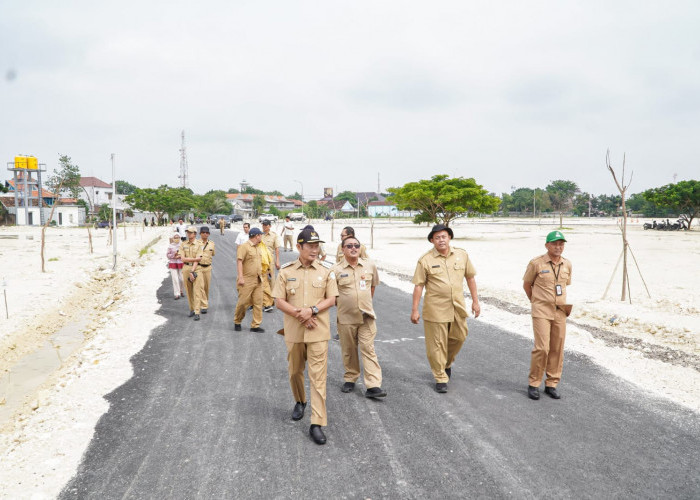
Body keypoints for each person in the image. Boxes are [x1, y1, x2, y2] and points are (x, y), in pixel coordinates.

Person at [272, 228, 338, 445]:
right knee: (294, 371)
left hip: (318, 331)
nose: (314, 250)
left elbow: (332, 299)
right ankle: (300, 400)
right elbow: (279, 301)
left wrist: (313, 311)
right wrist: (301, 315)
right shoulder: (286, 271)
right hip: (295, 331)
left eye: (316, 246)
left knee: (318, 378)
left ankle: (317, 422)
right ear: (299, 247)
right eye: (309, 246)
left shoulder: (326, 271)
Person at [411, 224, 481, 393]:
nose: (441, 240)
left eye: (444, 236)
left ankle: (446, 363)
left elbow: (470, 278)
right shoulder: (425, 260)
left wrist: (475, 301)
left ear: (449, 237)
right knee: (437, 344)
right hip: (435, 307)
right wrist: (414, 309)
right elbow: (419, 286)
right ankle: (440, 377)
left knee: (459, 337)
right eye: (437, 237)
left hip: (457, 305)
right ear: (432, 240)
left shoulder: (461, 255)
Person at [331, 235, 386, 398]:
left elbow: (373, 286)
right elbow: (331, 295)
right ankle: (351, 377)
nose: (353, 248)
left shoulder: (369, 265)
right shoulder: (335, 269)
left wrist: (364, 303)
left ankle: (373, 385)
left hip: (366, 316)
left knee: (368, 348)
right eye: (349, 246)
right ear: (343, 250)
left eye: (356, 245)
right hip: (346, 317)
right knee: (349, 350)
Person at [523, 230, 573, 401]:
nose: (558, 247)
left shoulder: (567, 264)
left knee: (557, 348)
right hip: (541, 310)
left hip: (560, 310)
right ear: (547, 245)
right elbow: (527, 285)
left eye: (561, 244)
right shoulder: (536, 263)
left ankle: (551, 383)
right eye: (555, 244)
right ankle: (534, 383)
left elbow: (565, 284)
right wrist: (535, 301)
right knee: (542, 348)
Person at [234, 227, 265, 332]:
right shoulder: (244, 247)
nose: (261, 236)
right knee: (243, 303)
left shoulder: (258, 247)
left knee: (258, 303)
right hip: (246, 280)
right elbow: (239, 262)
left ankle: (255, 325)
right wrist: (241, 277)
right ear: (257, 236)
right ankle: (237, 321)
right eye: (261, 235)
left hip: (258, 279)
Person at [179, 226, 204, 321]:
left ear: (195, 234)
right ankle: (192, 309)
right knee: (189, 290)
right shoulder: (183, 244)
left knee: (197, 290)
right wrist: (194, 259)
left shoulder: (199, 244)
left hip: (196, 268)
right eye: (187, 232)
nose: (188, 234)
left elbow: (199, 259)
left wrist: (192, 271)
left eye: (190, 232)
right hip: (186, 268)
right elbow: (183, 259)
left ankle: (197, 311)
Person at [261, 220, 281, 312]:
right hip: (261, 261)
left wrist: (277, 261)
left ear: (269, 226)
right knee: (263, 281)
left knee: (271, 281)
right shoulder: (260, 235)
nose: (264, 227)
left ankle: (271, 301)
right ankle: (266, 302)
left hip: (270, 261)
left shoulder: (274, 235)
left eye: (265, 225)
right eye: (263, 225)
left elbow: (277, 249)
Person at [198, 226, 216, 314]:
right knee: (201, 286)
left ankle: (204, 301)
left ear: (209, 234)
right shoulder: (197, 243)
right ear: (200, 233)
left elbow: (213, 254)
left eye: (207, 233)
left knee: (206, 287)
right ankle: (204, 305)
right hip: (199, 267)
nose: (205, 234)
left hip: (208, 267)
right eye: (203, 232)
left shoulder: (212, 244)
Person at [166, 234, 185, 300]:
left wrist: (180, 256)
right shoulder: (170, 246)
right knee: (175, 279)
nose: (177, 239)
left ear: (180, 238)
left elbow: (186, 253)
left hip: (181, 263)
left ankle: (181, 290)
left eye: (178, 237)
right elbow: (167, 255)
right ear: (173, 238)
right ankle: (177, 294)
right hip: (173, 263)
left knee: (182, 279)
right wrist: (174, 255)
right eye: (175, 237)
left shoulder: (183, 245)